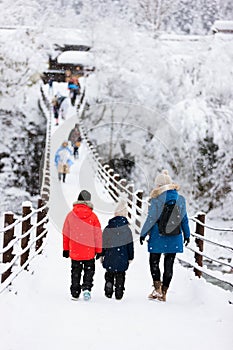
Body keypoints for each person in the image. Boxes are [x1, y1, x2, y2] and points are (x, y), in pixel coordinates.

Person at [140, 169, 190, 302]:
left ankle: (157, 289)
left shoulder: (156, 199)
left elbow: (151, 219)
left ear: (159, 186)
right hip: (175, 235)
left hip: (158, 235)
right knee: (169, 264)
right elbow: (184, 219)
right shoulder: (180, 199)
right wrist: (187, 235)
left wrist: (143, 234)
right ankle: (164, 292)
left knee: (154, 262)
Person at [62, 190, 102, 301]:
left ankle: (75, 292)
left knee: (75, 271)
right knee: (89, 270)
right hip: (89, 251)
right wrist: (99, 250)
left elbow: (66, 234)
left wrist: (65, 249)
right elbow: (98, 234)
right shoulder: (93, 217)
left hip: (75, 251)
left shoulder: (70, 215)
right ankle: (87, 288)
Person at [99, 199, 134, 300]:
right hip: (122, 257)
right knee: (121, 275)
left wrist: (102, 254)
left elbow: (103, 243)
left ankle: (108, 288)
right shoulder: (127, 230)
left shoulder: (108, 228)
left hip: (110, 256)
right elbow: (130, 245)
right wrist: (130, 257)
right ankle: (119, 292)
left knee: (109, 274)